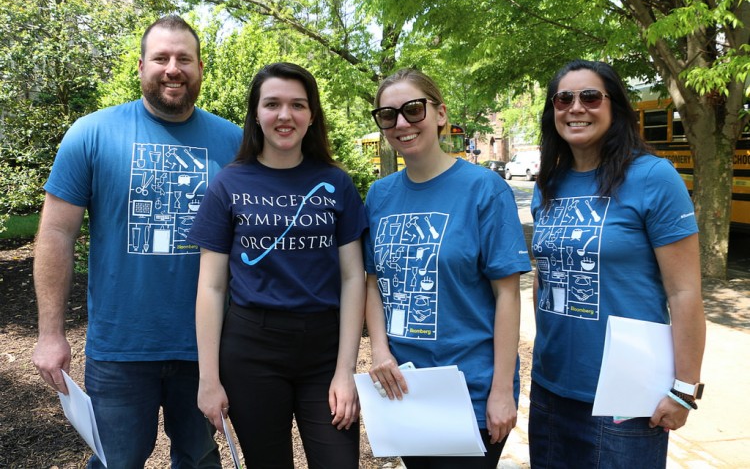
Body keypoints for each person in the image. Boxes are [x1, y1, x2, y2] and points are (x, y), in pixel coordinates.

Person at [31, 15, 242, 468]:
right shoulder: (92, 133)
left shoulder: (235, 142)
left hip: (204, 348)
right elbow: (55, 232)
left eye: (184, 58)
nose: (173, 68)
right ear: (141, 66)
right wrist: (50, 334)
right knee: (115, 462)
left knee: (201, 461)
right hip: (120, 348)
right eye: (161, 58)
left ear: (201, 68)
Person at [187, 62, 366, 468]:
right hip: (251, 350)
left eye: (297, 105)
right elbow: (212, 288)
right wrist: (208, 380)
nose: (285, 115)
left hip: (325, 349)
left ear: (312, 115)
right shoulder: (228, 185)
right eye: (272, 104)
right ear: (255, 114)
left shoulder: (336, 182)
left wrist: (346, 371)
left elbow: (354, 277)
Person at [528, 59, 706, 468]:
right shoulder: (547, 186)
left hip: (627, 397)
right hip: (551, 390)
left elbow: (685, 292)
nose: (576, 107)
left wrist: (683, 389)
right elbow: (544, 276)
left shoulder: (653, 177)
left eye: (590, 97)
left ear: (615, 107)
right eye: (563, 98)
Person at [363, 68, 531, 468]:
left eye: (413, 109)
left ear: (440, 114)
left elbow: (507, 294)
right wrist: (380, 351)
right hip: (404, 386)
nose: (401, 123)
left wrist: (501, 390)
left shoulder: (484, 189)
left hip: (470, 390)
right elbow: (373, 282)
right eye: (388, 115)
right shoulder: (379, 194)